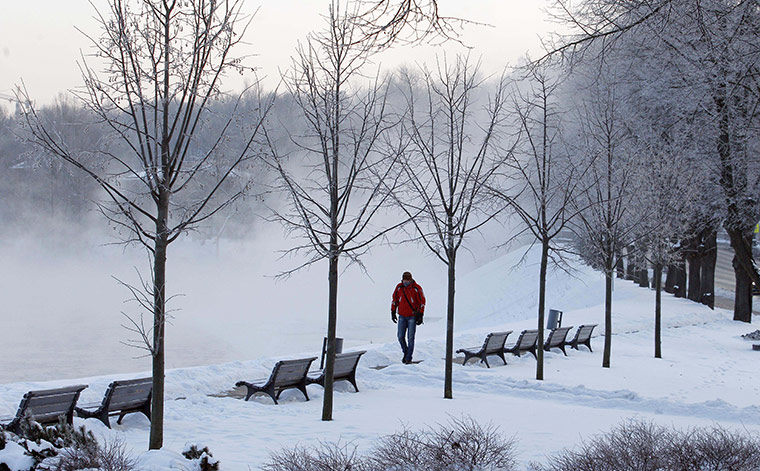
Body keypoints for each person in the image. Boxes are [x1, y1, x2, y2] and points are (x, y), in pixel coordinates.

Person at [391, 271, 426, 364]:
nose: (405, 282)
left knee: (410, 338)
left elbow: (422, 302)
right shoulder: (399, 287)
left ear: (410, 279)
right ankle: (406, 352)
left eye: (407, 280)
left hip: (412, 316)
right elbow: (394, 300)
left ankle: (408, 357)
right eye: (404, 280)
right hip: (402, 315)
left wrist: (420, 314)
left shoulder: (416, 288)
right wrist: (393, 311)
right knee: (400, 337)